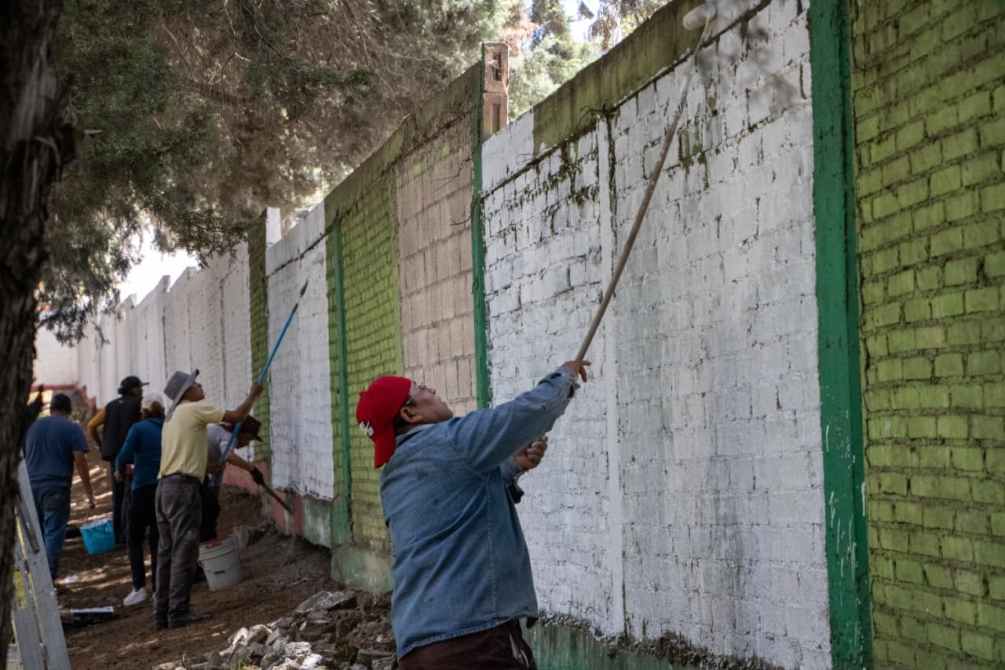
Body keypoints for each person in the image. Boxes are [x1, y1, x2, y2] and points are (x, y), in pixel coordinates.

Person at [356, 360, 589, 669]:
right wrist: (564, 378)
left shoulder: (394, 476)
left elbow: (455, 498)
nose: (432, 389)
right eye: (421, 388)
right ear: (410, 414)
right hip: (473, 643)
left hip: (417, 650)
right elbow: (528, 414)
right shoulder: (451, 440)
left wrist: (511, 466)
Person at [155, 369, 262, 629]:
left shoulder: (172, 417)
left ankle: (161, 612)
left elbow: (188, 454)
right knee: (185, 550)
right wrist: (253, 396)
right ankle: (178, 612)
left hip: (165, 488)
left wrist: (211, 467)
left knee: (166, 551)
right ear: (186, 392)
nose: (200, 386)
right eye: (196, 384)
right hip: (183, 489)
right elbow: (236, 417)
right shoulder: (194, 409)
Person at [23, 393, 96, 579]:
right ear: (68, 410)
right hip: (56, 487)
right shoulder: (72, 428)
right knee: (53, 533)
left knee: (37, 534)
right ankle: (48, 580)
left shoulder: (32, 427)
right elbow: (80, 460)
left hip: (31, 487)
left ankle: (38, 580)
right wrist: (89, 494)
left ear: (51, 409)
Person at [115, 393, 165, 607]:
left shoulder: (138, 428)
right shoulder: (168, 427)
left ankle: (139, 587)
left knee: (134, 537)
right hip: (164, 487)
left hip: (142, 488)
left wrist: (119, 471)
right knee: (157, 538)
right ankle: (159, 588)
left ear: (144, 411)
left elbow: (124, 455)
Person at [87, 375, 147, 545]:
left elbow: (91, 425)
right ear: (134, 389)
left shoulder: (111, 405)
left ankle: (119, 536)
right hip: (133, 456)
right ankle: (135, 534)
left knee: (119, 495)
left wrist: (101, 445)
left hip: (114, 457)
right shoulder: (138, 405)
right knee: (136, 492)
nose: (142, 391)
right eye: (140, 387)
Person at [200, 417, 266, 542]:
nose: (247, 444)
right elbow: (229, 456)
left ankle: (207, 541)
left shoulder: (219, 434)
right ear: (242, 434)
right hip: (188, 475)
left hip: (194, 473)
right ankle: (205, 543)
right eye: (248, 439)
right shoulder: (228, 437)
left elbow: (217, 476)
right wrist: (252, 469)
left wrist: (214, 498)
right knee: (206, 510)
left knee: (210, 507)